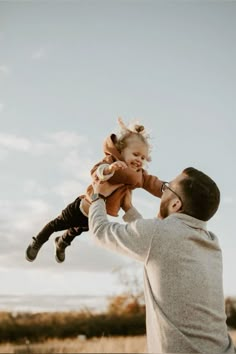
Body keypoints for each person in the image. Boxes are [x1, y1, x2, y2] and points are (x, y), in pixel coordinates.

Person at [88, 167, 235, 353]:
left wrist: (97, 196)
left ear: (176, 205)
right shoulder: (212, 243)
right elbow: (158, 249)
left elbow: (100, 232)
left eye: (166, 188)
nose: (162, 191)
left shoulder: (159, 235)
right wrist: (129, 210)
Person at [25, 118, 163, 263]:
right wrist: (109, 169)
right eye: (135, 155)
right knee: (56, 224)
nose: (139, 160)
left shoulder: (131, 181)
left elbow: (139, 195)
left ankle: (61, 243)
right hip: (80, 207)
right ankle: (38, 240)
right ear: (122, 151)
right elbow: (97, 171)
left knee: (75, 231)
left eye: (143, 158)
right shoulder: (112, 161)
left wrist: (142, 225)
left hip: (95, 216)